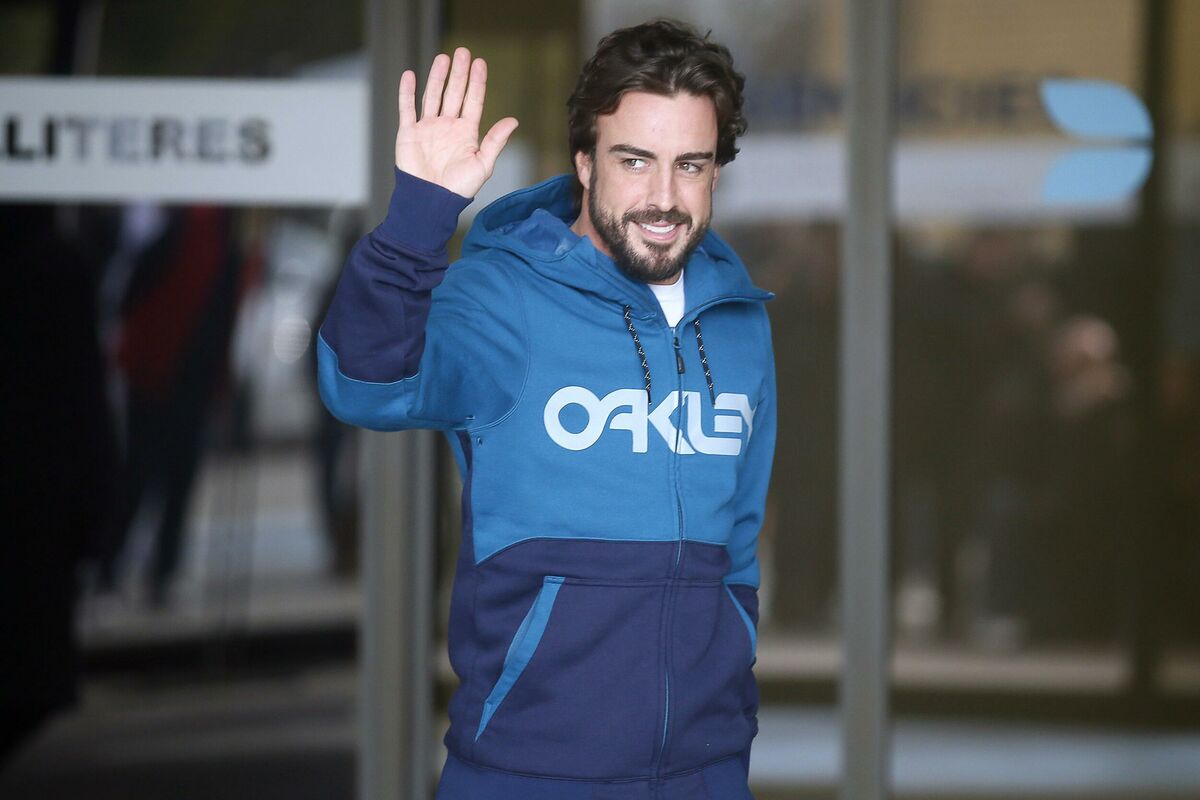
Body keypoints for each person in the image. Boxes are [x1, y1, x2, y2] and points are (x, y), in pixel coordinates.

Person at [319, 19, 775, 799]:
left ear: (715, 173)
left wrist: (725, 725)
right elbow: (361, 384)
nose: (663, 198)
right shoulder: (505, 298)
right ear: (585, 163)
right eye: (634, 161)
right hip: (528, 772)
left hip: (705, 773)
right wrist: (419, 216)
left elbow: (735, 549)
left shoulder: (740, 323)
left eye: (690, 165)